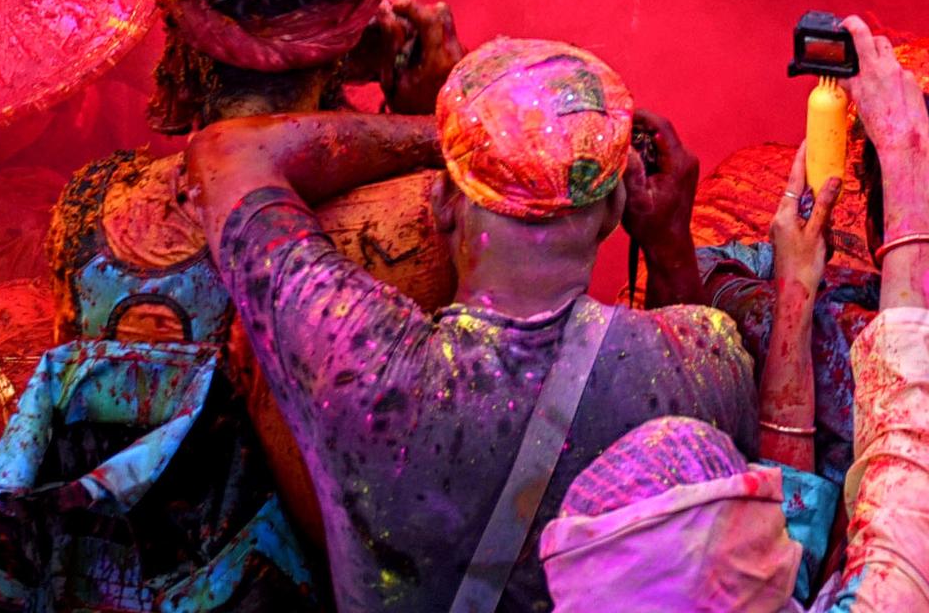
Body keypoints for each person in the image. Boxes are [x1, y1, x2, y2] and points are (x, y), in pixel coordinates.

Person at [186, 35, 753, 612]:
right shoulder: (706, 360)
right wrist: (669, 247)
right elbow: (706, 497)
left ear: (441, 201)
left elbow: (227, 155)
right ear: (614, 210)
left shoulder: (360, 358)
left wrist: (462, 133)